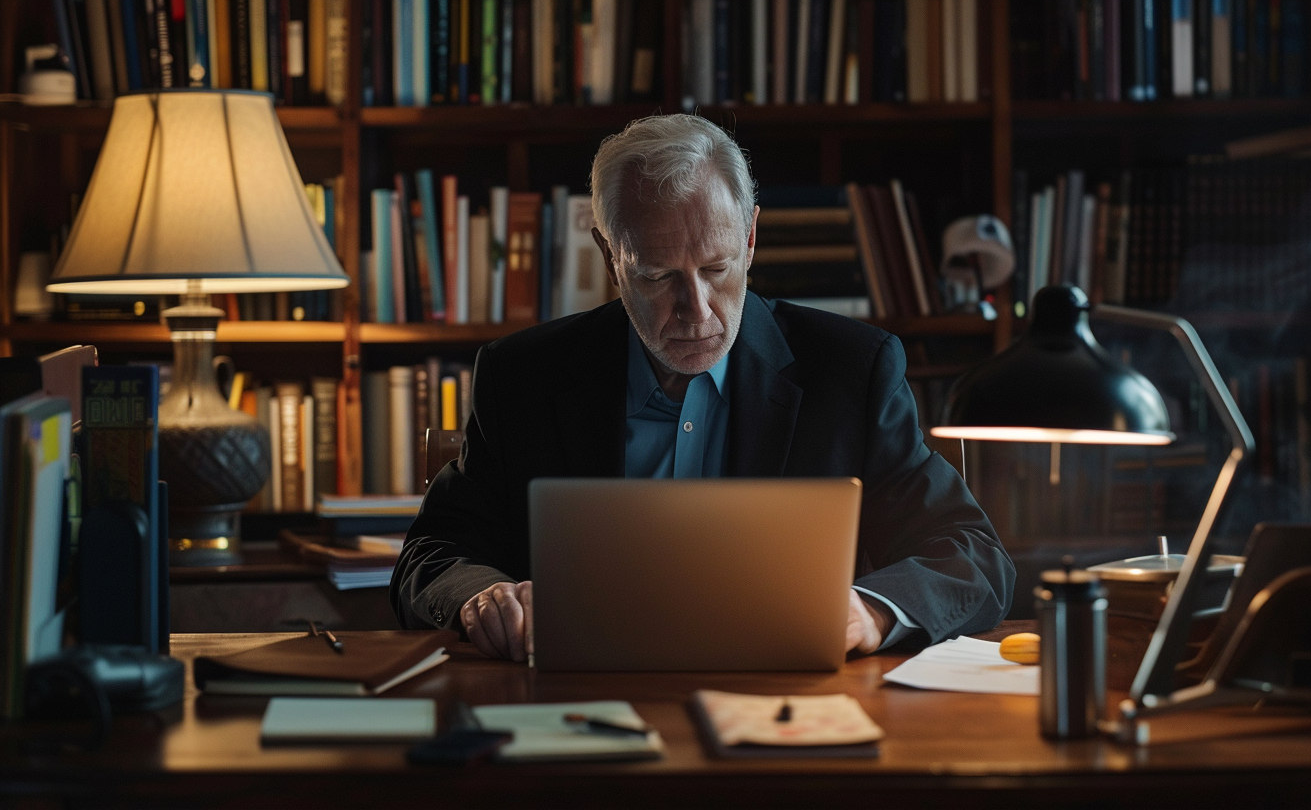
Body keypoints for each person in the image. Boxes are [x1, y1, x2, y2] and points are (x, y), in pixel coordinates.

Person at [391, 114, 1015, 662]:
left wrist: (870, 612)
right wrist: (481, 597)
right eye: (659, 276)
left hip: (786, 710)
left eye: (716, 269)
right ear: (610, 256)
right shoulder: (523, 376)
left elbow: (975, 557)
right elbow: (430, 556)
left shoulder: (850, 370)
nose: (697, 311)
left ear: (749, 238)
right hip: (574, 707)